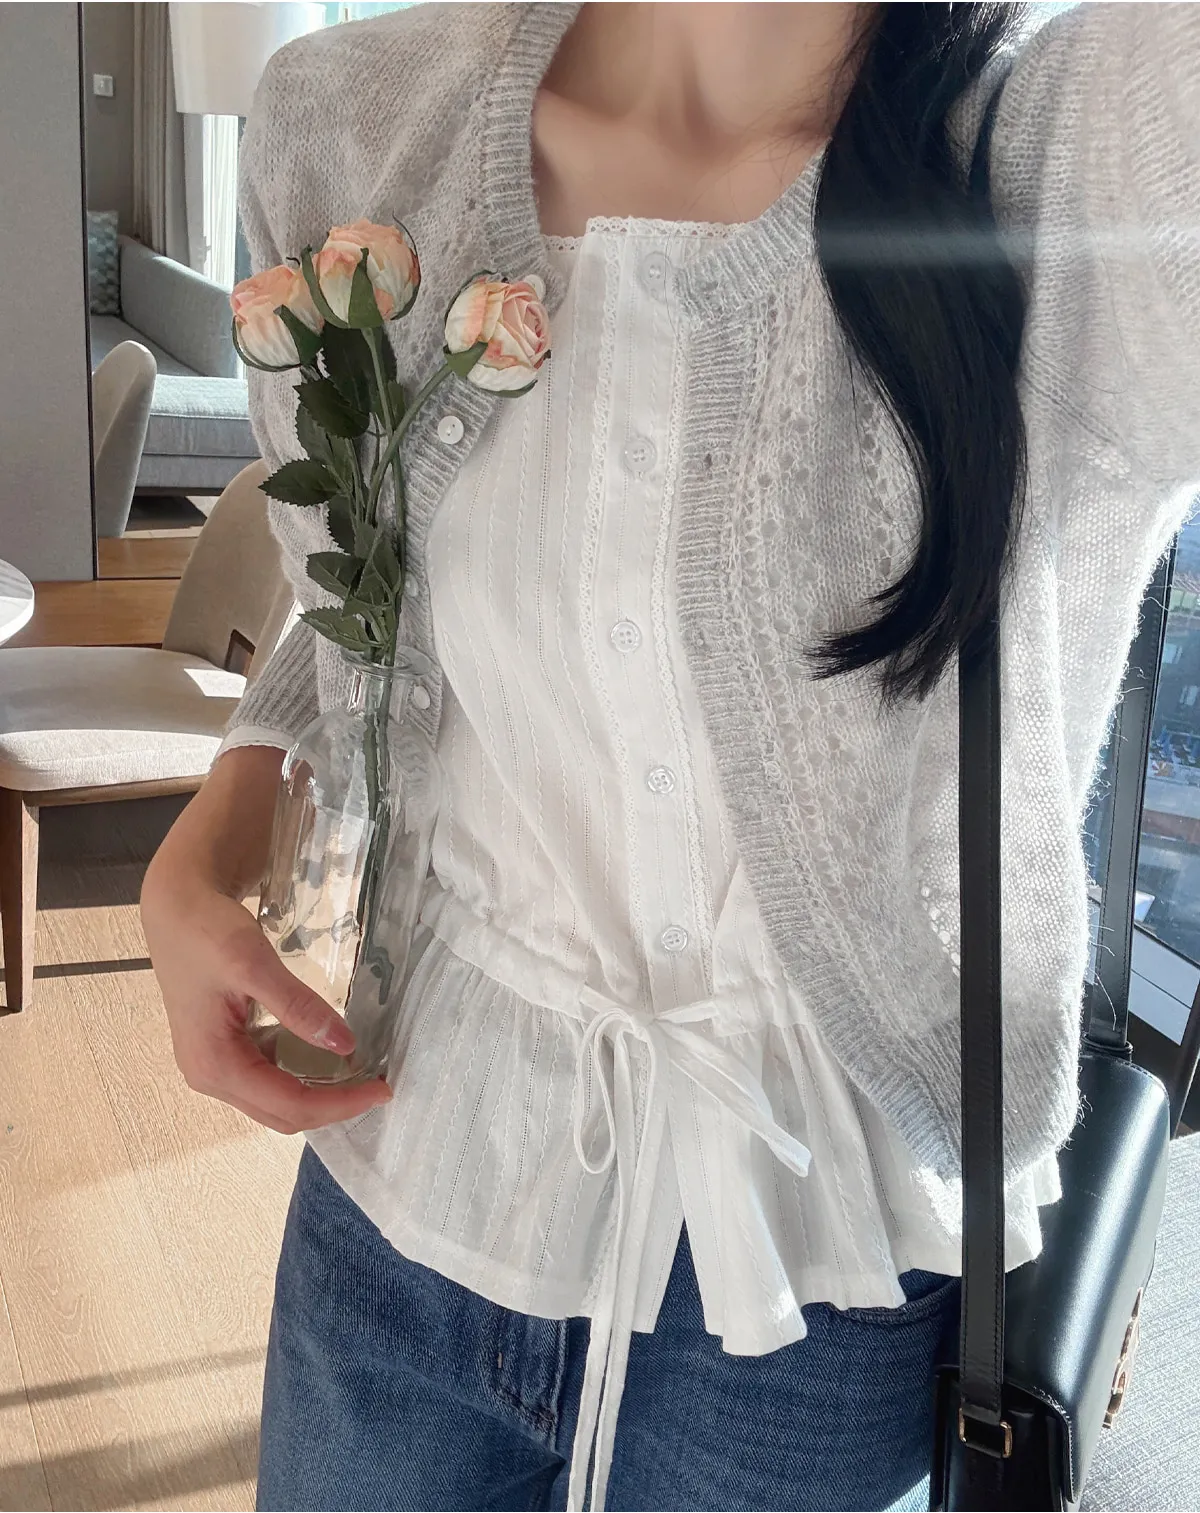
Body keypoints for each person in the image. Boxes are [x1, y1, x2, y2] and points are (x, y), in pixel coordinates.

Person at [140, 3, 1200, 1510]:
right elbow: (366, 605)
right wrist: (227, 813)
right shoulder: (350, 121)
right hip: (411, 1181)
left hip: (809, 1282)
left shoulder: (1069, 149)